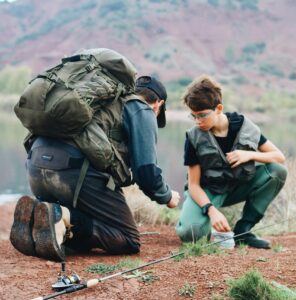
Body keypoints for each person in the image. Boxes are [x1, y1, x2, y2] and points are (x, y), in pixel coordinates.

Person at [10, 49, 180, 261]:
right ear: (158, 104)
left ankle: (42, 217)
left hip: (35, 166)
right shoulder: (141, 108)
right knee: (128, 239)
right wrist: (167, 196)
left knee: (87, 216)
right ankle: (61, 216)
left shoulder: (102, 101)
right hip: (75, 173)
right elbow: (146, 172)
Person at [175, 75, 287, 249]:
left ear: (218, 108)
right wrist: (211, 211)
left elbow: (279, 157)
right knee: (191, 234)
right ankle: (207, 227)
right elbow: (193, 186)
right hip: (208, 191)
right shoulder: (193, 137)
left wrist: (249, 155)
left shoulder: (245, 126)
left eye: (202, 115)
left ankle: (243, 232)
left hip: (238, 186)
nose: (198, 121)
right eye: (193, 116)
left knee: (277, 171)